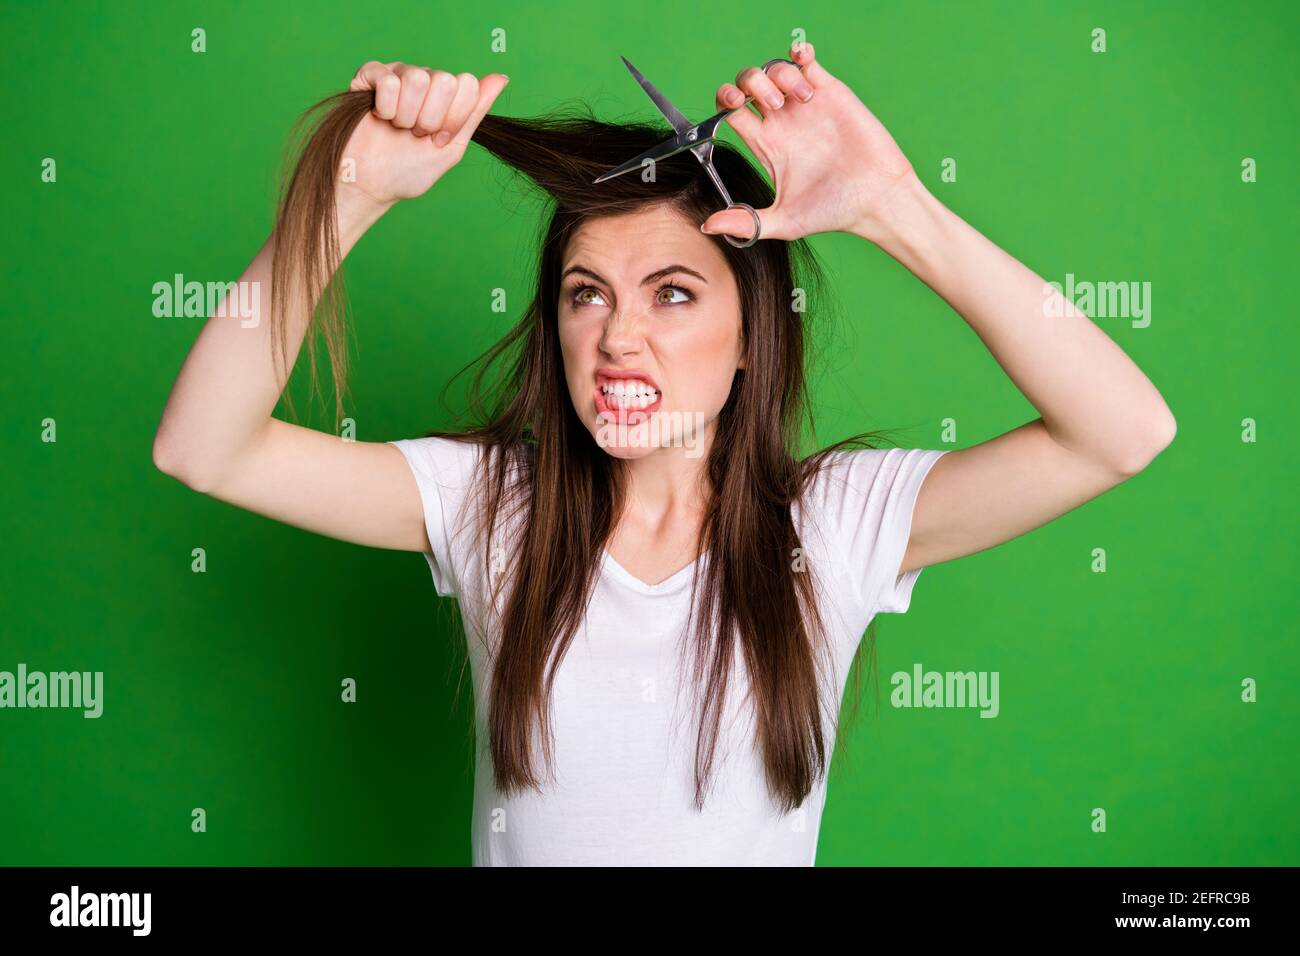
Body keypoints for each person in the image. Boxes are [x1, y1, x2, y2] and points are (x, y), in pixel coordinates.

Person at [151, 42, 1176, 865]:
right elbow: (206, 447)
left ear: (748, 338)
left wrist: (890, 207)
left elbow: (1122, 430)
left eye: (672, 292)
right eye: (585, 292)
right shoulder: (488, 504)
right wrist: (352, 193)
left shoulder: (831, 524)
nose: (617, 334)